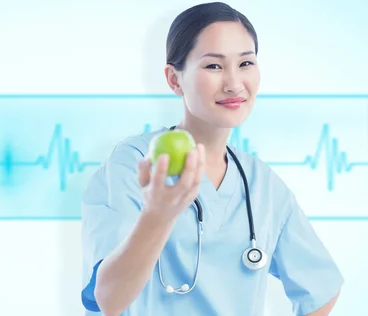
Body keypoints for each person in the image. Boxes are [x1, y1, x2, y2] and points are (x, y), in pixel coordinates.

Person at [80, 2, 343, 316]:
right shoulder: (136, 163)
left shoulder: (261, 182)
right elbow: (109, 299)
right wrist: (158, 216)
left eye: (246, 63)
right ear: (174, 80)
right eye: (214, 66)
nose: (234, 84)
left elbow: (321, 288)